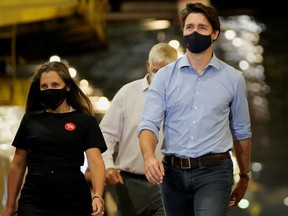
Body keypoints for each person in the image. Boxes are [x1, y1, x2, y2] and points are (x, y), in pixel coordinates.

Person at [138, 3, 252, 216]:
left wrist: (244, 176)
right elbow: (148, 124)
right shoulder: (164, 77)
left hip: (214, 173)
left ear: (214, 33)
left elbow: (242, 131)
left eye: (202, 27)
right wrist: (148, 157)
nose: (194, 32)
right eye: (189, 27)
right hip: (172, 174)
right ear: (183, 31)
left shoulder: (233, 79)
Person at [0, 61, 107, 216]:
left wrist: (98, 195)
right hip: (34, 201)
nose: (49, 90)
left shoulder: (84, 121)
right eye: (44, 86)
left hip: (74, 201)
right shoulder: (30, 120)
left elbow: (96, 161)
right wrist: (10, 206)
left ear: (68, 86)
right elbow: (17, 164)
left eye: (55, 85)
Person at [100, 43, 178, 216]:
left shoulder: (181, 97)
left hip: (169, 182)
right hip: (130, 184)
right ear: (148, 65)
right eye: (157, 70)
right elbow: (106, 134)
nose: (161, 76)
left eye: (167, 71)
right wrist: (107, 165)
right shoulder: (127, 94)